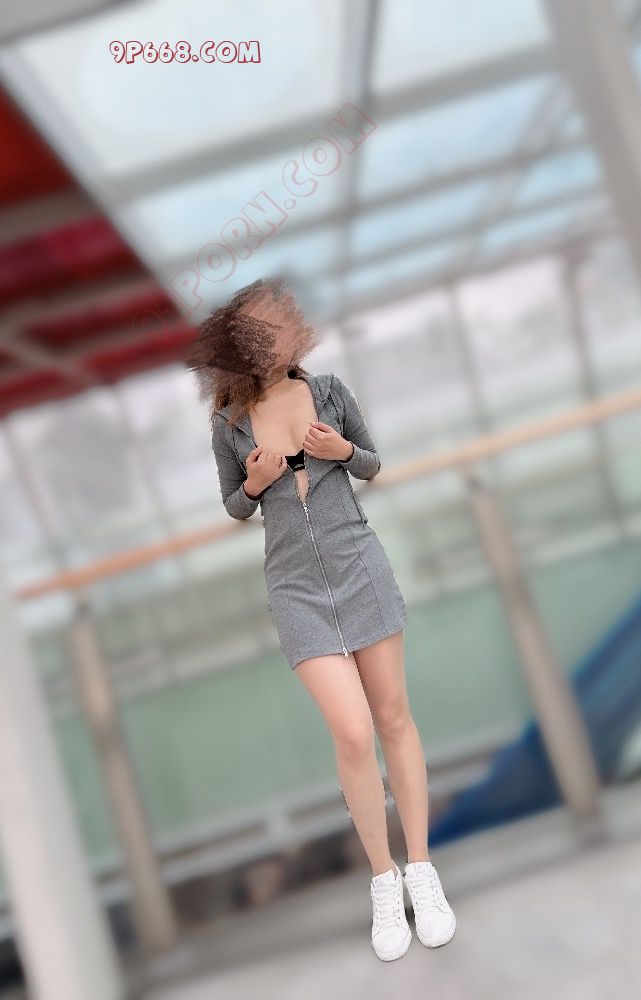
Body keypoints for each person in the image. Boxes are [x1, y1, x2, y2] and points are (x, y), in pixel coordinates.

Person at [188, 277, 456, 960]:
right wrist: (255, 482)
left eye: (284, 325)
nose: (282, 335)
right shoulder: (229, 423)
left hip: (359, 566)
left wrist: (341, 453)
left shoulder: (331, 391)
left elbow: (370, 464)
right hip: (295, 587)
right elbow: (234, 504)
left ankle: (422, 872)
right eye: (266, 329)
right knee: (352, 732)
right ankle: (382, 881)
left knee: (393, 718)